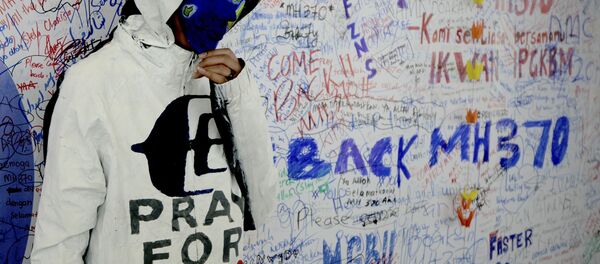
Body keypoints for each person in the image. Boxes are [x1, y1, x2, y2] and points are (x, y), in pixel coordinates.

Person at [31, 0, 277, 263]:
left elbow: (260, 211)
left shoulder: (226, 80)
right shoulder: (92, 84)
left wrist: (239, 96)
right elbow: (58, 249)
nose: (229, 12)